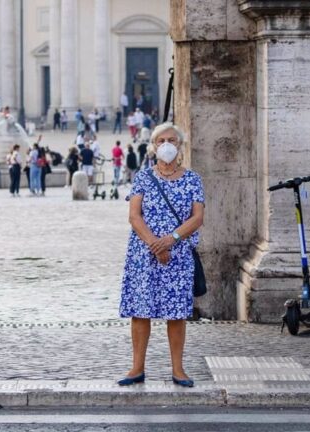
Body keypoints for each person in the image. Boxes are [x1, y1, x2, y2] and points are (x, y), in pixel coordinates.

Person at [118, 123, 205, 388]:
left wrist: (171, 240)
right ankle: (137, 368)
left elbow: (197, 217)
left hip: (177, 254)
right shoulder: (143, 178)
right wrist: (155, 244)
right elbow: (134, 216)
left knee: (176, 314)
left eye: (172, 140)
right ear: (153, 146)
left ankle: (178, 369)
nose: (166, 144)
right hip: (144, 254)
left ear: (180, 146)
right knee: (140, 312)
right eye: (161, 140)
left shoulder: (192, 179)